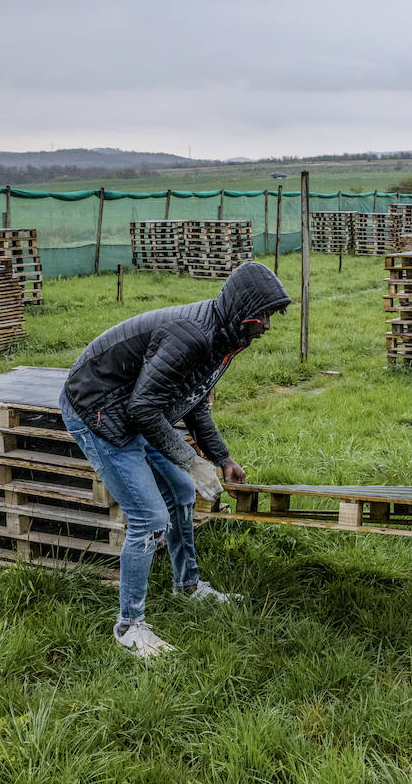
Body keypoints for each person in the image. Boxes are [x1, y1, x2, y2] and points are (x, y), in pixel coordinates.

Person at [60, 260, 291, 658]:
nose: (268, 325)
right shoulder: (192, 335)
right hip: (96, 408)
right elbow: (143, 410)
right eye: (265, 315)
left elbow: (193, 400)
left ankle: (188, 586)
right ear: (244, 310)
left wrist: (221, 459)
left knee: (183, 492)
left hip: (132, 407)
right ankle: (129, 625)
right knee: (150, 519)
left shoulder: (225, 339)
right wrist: (191, 460)